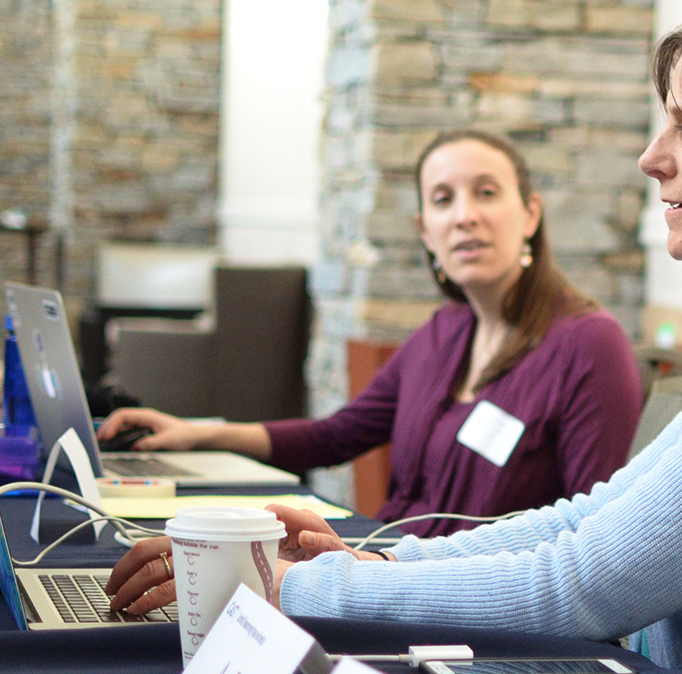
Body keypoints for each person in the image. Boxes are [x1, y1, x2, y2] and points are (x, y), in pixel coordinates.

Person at [108, 0, 682, 673]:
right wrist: (373, 557)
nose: (652, 156)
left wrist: (285, 587)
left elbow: (580, 583)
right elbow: (600, 516)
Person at [98, 129, 643, 537]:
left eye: (486, 192)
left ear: (529, 214)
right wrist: (197, 433)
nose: (464, 217)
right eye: (442, 199)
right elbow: (334, 436)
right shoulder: (443, 332)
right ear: (424, 231)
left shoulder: (589, 345)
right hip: (380, 567)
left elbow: (591, 537)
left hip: (466, 609)